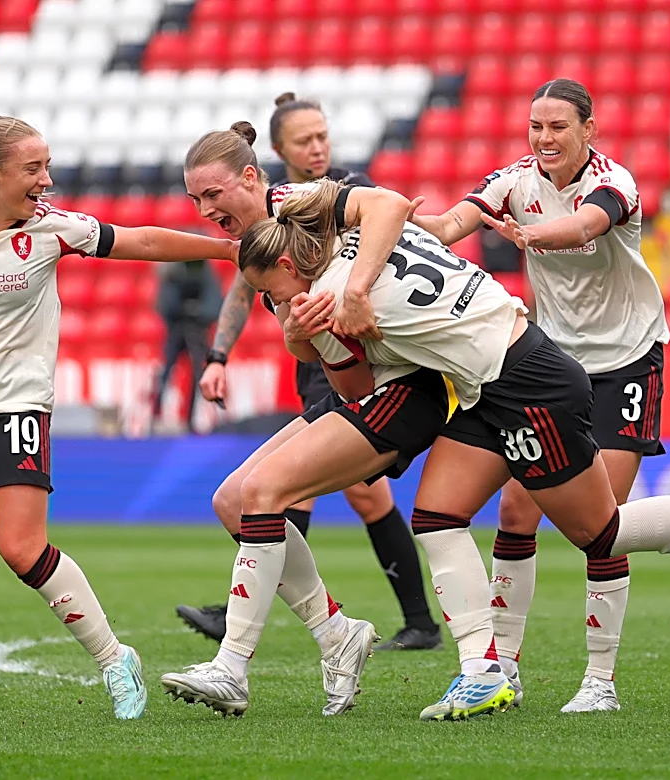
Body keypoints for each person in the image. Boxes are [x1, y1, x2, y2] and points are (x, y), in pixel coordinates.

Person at [187, 177, 670, 724]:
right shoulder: (366, 234)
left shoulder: (323, 298)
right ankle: (482, 672)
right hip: (492, 376)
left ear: (289, 264)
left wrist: (302, 337)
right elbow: (389, 207)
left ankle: (481, 667)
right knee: (437, 516)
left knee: (601, 533)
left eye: (277, 295)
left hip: (527, 384)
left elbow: (356, 391)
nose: (284, 307)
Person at [0, 116, 238, 720]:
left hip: (13, 405)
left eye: (47, 166)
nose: (47, 179)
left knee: (21, 550)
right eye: (34, 169)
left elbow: (142, 243)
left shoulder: (52, 228)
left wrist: (225, 248)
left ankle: (115, 659)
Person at [408, 78, 669, 713]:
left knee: (603, 527)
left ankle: (600, 682)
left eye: (557, 127)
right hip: (551, 367)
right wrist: (414, 223)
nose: (544, 138)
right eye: (536, 126)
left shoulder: (615, 181)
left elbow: (586, 223)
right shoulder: (513, 181)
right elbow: (453, 223)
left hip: (626, 362)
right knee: (516, 511)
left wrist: (534, 237)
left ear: (588, 130)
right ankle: (503, 669)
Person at [161, 150, 453, 717]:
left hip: (388, 382)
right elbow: (292, 333)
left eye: (213, 195)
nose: (205, 211)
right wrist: (277, 339)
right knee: (233, 501)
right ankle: (335, 632)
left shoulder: (299, 204)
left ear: (251, 177)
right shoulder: (255, 243)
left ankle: (233, 665)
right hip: (343, 379)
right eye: (195, 200)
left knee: (269, 495)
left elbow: (388, 207)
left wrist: (360, 288)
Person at [151, 258, 223, 430]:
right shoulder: (172, 273)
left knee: (199, 373)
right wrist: (185, 308)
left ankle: (193, 420)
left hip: (197, 331)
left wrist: (197, 312)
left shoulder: (205, 272)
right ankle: (154, 418)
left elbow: (214, 305)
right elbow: (165, 305)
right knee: (165, 374)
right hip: (176, 330)